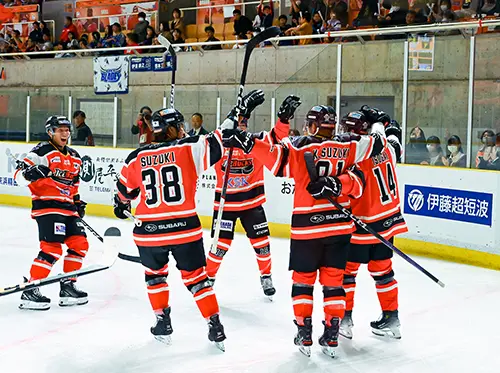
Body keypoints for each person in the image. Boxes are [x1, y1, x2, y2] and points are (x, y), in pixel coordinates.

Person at [223, 97, 389, 357]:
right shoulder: (351, 145)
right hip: (339, 228)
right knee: (334, 283)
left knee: (303, 282)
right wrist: (378, 125)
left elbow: (273, 156)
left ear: (312, 125)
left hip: (307, 229)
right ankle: (332, 333)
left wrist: (247, 141)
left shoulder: (299, 147)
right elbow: (377, 147)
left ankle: (304, 331)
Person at [113, 102, 264, 348]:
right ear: (173, 129)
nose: (184, 129)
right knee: (197, 279)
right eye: (180, 126)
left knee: (154, 277)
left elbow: (124, 193)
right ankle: (215, 325)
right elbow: (220, 138)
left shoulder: (136, 156)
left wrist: (120, 205)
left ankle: (163, 322)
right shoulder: (189, 148)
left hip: (150, 233)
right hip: (185, 229)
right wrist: (238, 113)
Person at [338, 107, 407, 340]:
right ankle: (392, 319)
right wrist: (384, 124)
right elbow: (394, 140)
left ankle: (344, 320)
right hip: (388, 224)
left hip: (362, 225)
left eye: (348, 128)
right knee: (384, 272)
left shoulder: (356, 153)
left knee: (347, 273)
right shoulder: (387, 147)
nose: (344, 132)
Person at [207, 93, 279, 298]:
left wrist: (283, 121)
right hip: (225, 205)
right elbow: (218, 133)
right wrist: (237, 111)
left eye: (244, 123)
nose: (242, 126)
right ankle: (209, 278)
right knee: (219, 246)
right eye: (239, 122)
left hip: (252, 204)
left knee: (262, 244)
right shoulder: (220, 143)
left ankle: (266, 276)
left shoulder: (256, 141)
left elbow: (276, 138)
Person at [14, 116, 89, 310]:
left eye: (67, 130)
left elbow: (74, 184)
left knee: (80, 244)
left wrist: (77, 201)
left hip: (68, 209)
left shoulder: (74, 156)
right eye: (60, 130)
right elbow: (18, 176)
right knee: (52, 248)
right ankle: (31, 288)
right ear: (50, 132)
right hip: (47, 207)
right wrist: (30, 173)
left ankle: (68, 286)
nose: (65, 133)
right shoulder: (41, 151)